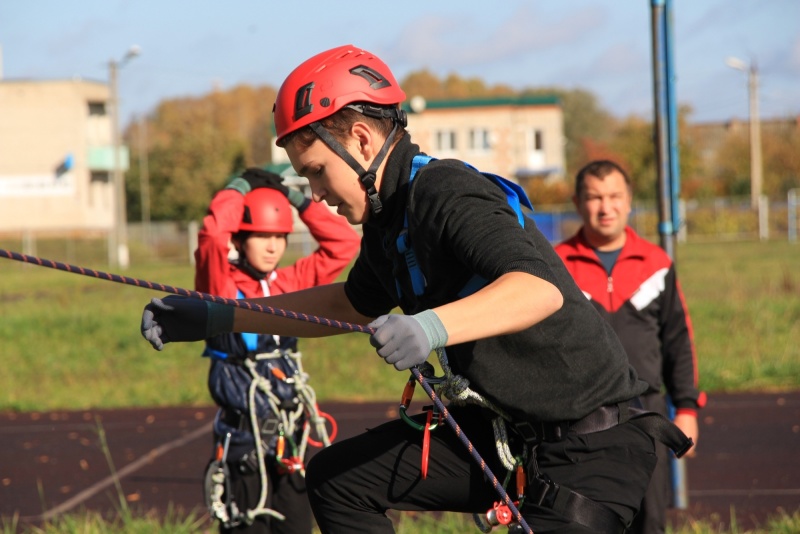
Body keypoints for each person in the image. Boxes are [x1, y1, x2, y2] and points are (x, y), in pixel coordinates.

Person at [141, 44, 691, 534]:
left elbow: (539, 289)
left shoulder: (444, 190)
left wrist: (429, 326)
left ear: (360, 138)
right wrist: (221, 316)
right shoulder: (388, 222)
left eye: (315, 171)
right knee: (337, 479)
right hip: (510, 437)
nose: (315, 193)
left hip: (595, 446)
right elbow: (346, 304)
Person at [194, 168, 360, 534]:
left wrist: (296, 199)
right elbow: (210, 236)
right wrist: (236, 190)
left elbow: (343, 244)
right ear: (240, 238)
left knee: (298, 527)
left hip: (291, 439)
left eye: (279, 236)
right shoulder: (220, 285)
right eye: (261, 236)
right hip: (242, 445)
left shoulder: (291, 284)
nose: (272, 246)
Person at [554, 160, 705, 534]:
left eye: (614, 196)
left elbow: (677, 341)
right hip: (578, 416)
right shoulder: (554, 265)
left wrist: (685, 408)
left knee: (649, 520)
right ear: (577, 202)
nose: (605, 207)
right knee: (583, 521)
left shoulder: (657, 264)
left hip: (646, 414)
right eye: (594, 197)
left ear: (629, 200)